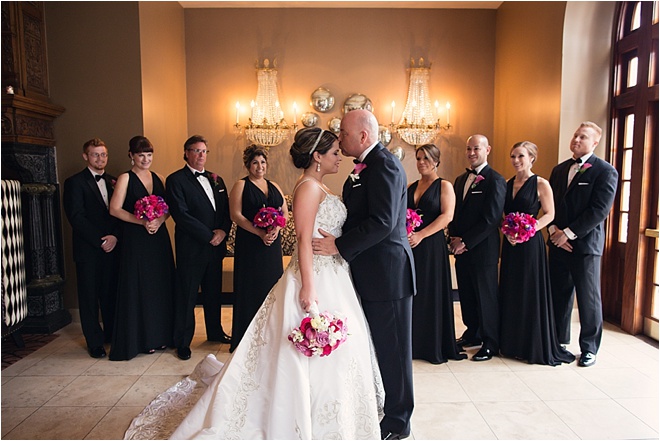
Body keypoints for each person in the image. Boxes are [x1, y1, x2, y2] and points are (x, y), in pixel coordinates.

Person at [125, 127, 384, 440]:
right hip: (314, 276)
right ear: (317, 156)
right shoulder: (308, 188)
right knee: (305, 346)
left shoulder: (320, 186)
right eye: (333, 152)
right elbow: (303, 239)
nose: (338, 156)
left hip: (335, 272)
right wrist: (309, 287)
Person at [312, 109, 416, 440]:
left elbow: (383, 221)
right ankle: (387, 408)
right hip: (370, 272)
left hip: (388, 274)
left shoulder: (384, 165)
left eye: (343, 133)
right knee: (381, 347)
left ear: (363, 136)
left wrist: (339, 247)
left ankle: (399, 422)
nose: (339, 138)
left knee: (395, 351)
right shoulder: (364, 167)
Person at [547, 122, 618, 367]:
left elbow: (599, 210)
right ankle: (558, 340)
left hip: (585, 246)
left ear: (594, 143)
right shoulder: (559, 170)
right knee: (559, 295)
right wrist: (553, 230)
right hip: (558, 243)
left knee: (588, 299)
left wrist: (568, 233)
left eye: (583, 137)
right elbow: (550, 205)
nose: (576, 139)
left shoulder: (605, 171)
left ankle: (589, 348)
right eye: (576, 134)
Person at [499, 141, 575, 366]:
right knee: (511, 288)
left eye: (521, 156)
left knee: (529, 289)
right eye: (513, 156)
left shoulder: (541, 183)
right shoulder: (506, 183)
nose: (516, 161)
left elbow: (550, 214)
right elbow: (504, 214)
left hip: (531, 244)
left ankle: (530, 343)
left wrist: (529, 229)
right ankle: (512, 343)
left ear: (532, 158)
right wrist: (509, 230)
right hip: (511, 244)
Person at [166, 135, 232, 362]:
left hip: (215, 248)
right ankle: (182, 342)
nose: (201, 155)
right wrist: (208, 236)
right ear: (186, 153)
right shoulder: (175, 180)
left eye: (204, 151)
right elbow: (181, 215)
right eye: (196, 151)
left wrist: (222, 231)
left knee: (213, 292)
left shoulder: (217, 179)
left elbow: (226, 212)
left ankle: (215, 332)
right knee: (187, 295)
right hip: (191, 248)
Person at [108, 136, 175, 361]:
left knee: (160, 285)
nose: (145, 159)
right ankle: (143, 340)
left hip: (158, 239)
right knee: (140, 287)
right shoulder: (125, 178)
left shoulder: (160, 178)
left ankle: (161, 336)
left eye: (149, 154)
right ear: (131, 156)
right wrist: (142, 222)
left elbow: (168, 209)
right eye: (141, 155)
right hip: (136, 240)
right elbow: (115, 209)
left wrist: (159, 220)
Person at [448, 134, 506, 362]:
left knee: (486, 297)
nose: (472, 153)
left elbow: (491, 220)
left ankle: (491, 342)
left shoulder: (496, 180)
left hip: (483, 251)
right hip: (461, 250)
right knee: (467, 295)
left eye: (477, 149)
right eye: (469, 148)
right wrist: (453, 238)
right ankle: (473, 332)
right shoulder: (461, 179)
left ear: (487, 150)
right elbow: (454, 213)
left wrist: (466, 242)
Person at [406, 144, 466, 364]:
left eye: (426, 158)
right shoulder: (412, 185)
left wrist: (421, 235)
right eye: (419, 158)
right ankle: (415, 342)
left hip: (431, 245)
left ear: (436, 161)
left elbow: (447, 216)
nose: (422, 162)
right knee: (415, 291)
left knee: (431, 292)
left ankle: (433, 344)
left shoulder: (445, 186)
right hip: (412, 245)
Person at [63, 138, 120, 359]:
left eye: (103, 154)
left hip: (113, 247)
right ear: (85, 156)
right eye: (95, 154)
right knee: (89, 298)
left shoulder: (115, 181)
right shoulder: (75, 182)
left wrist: (114, 236)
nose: (100, 158)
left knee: (110, 294)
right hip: (89, 250)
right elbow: (76, 217)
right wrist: (100, 240)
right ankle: (94, 343)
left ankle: (111, 337)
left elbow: (119, 212)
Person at [228, 144, 287, 352]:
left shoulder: (274, 185)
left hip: (272, 246)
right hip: (251, 244)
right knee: (250, 287)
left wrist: (275, 231)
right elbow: (236, 215)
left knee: (271, 287)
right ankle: (246, 338)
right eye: (255, 162)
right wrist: (260, 233)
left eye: (262, 162)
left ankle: (270, 335)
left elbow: (284, 213)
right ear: (248, 165)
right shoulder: (241, 185)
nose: (259, 166)